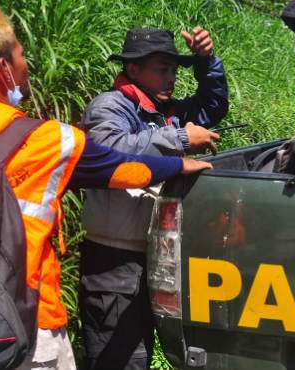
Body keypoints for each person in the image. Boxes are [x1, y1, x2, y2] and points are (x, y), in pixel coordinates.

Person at [0, 0, 212, 370]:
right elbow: (127, 168)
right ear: (3, 69)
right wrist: (181, 161)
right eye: (20, 54)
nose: (26, 65)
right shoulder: (49, 141)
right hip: (28, 328)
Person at [79, 27, 228, 369]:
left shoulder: (166, 111)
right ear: (133, 70)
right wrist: (180, 139)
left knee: (149, 355)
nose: (171, 78)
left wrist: (206, 62)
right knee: (119, 359)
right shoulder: (108, 106)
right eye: (162, 69)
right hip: (114, 261)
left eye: (174, 70)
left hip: (158, 255)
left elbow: (213, 105)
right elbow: (112, 151)